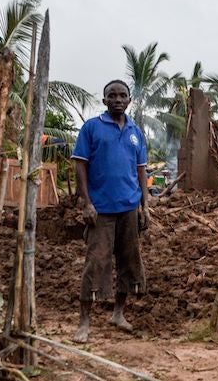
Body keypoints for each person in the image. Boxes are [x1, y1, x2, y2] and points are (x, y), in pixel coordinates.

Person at [70, 80, 150, 343]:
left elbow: (141, 171)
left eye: (122, 95)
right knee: (96, 262)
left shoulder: (136, 132)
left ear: (129, 100)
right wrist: (87, 203)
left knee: (128, 261)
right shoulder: (92, 128)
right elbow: (80, 165)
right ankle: (84, 322)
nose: (117, 99)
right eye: (112, 96)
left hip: (129, 207)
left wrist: (145, 207)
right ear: (104, 101)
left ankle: (118, 313)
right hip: (101, 210)